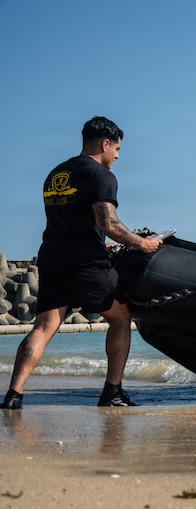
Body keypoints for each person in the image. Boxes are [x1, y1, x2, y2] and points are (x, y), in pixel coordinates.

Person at [0, 116, 163, 410]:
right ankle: (112, 392)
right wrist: (142, 243)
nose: (117, 156)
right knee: (121, 318)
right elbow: (108, 222)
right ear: (105, 143)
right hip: (86, 264)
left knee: (43, 327)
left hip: (52, 258)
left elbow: (75, 221)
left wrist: (104, 241)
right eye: (117, 149)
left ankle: (13, 395)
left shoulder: (55, 174)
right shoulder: (101, 176)